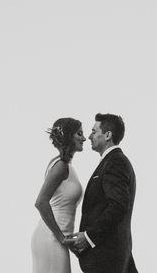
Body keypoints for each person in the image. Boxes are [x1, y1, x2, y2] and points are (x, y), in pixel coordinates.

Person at [65, 113, 138, 273]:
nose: (89, 136)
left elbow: (118, 206)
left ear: (107, 135)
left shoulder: (115, 162)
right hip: (110, 257)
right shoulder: (112, 161)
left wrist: (89, 237)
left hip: (107, 259)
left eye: (93, 131)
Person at [31, 118, 86, 273]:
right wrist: (61, 237)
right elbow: (40, 202)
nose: (84, 138)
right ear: (69, 136)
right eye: (79, 134)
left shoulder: (66, 165)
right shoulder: (60, 166)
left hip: (56, 238)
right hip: (51, 238)